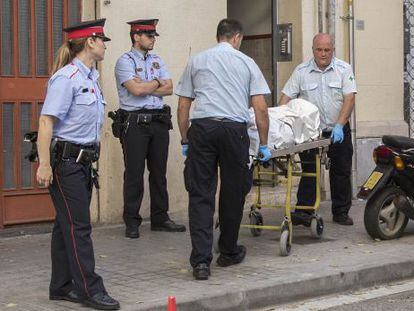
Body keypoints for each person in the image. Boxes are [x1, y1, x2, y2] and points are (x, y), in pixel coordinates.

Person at [176, 18, 271, 281]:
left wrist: (186, 140)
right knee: (232, 192)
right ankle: (228, 251)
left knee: (200, 195)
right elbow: (260, 109)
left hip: (203, 129)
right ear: (237, 37)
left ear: (218, 36)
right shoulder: (246, 63)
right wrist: (263, 144)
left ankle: (201, 262)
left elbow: (183, 107)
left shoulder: (197, 60)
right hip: (233, 131)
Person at [36, 19, 120, 310]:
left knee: (65, 225)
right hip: (66, 163)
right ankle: (90, 289)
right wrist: (44, 164)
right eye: (103, 40)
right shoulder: (67, 78)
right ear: (90, 42)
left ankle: (60, 286)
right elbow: (47, 122)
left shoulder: (91, 78)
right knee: (79, 226)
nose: (106, 45)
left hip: (83, 163)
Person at [115, 19, 186, 239]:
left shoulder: (156, 59)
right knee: (134, 173)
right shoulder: (124, 62)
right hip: (135, 123)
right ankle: (132, 221)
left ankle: (160, 218)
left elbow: (170, 87)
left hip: (158, 122)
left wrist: (149, 84)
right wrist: (157, 83)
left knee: (159, 173)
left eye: (154, 35)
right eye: (149, 35)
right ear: (136, 37)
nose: (153, 38)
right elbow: (135, 90)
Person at [279, 33, 357, 226]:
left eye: (327, 50)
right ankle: (304, 211)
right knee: (309, 170)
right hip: (310, 133)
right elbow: (286, 98)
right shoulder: (301, 71)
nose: (323, 54)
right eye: (319, 50)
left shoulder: (343, 69)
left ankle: (340, 212)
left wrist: (340, 124)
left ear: (333, 50)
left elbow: (349, 99)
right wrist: (280, 122)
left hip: (337, 129)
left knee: (341, 171)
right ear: (313, 50)